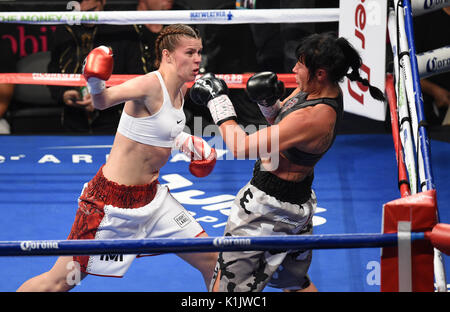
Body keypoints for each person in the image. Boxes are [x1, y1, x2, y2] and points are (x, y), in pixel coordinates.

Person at [17, 24, 218, 292]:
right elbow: (102, 101)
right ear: (168, 55)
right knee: (59, 281)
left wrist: (184, 141)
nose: (197, 59)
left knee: (214, 261)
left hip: (153, 199)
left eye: (199, 52)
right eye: (190, 52)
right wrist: (95, 82)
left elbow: (160, 128)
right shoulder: (148, 84)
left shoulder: (180, 89)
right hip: (109, 204)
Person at [190, 32, 385, 292]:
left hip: (266, 210)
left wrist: (218, 102)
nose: (294, 69)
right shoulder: (318, 91)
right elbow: (283, 122)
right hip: (296, 205)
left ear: (320, 73)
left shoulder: (314, 117)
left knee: (227, 289)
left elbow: (241, 146)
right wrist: (268, 103)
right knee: (294, 283)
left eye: (301, 64)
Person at [48, 0, 134, 134]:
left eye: (91, 11)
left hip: (115, 117)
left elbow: (136, 76)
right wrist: (63, 94)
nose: (85, 17)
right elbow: (52, 70)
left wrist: (105, 97)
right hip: (72, 118)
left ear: (103, 2)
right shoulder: (64, 31)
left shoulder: (122, 29)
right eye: (80, 13)